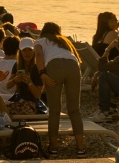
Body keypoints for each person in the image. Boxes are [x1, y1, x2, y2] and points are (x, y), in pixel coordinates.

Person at [37, 22, 86, 154]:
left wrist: (42, 74)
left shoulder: (40, 41)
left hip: (54, 67)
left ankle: (53, 147)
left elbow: (39, 56)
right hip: (73, 67)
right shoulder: (65, 42)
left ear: (43, 31)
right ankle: (80, 148)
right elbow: (77, 60)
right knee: (74, 110)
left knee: (54, 110)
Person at [5, 46, 47, 114]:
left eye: (30, 50)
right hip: (19, 99)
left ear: (34, 51)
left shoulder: (37, 67)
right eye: (24, 50)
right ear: (20, 51)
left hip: (32, 102)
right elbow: (8, 86)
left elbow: (37, 95)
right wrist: (15, 80)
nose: (27, 53)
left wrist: (29, 82)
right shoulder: (17, 65)